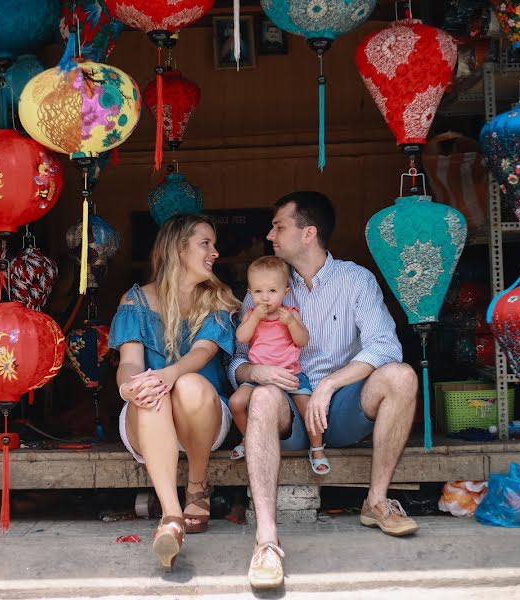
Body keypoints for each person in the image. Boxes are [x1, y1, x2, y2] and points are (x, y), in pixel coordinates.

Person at [228, 192, 419, 589]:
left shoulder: (355, 280)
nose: (270, 234)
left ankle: (377, 501)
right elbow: (235, 362)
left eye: (279, 226)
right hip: (287, 409)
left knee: (401, 375)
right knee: (261, 395)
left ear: (308, 233)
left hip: (343, 405)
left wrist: (330, 384)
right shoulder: (266, 286)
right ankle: (266, 540)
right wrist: (256, 370)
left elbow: (385, 345)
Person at [109, 214, 240, 572]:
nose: (215, 252)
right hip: (147, 419)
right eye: (205, 243)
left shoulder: (218, 298)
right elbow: (130, 362)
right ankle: (171, 515)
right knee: (151, 394)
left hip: (204, 416)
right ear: (179, 249)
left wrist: (168, 374)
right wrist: (130, 388)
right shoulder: (135, 300)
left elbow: (203, 353)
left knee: (189, 383)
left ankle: (197, 485)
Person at [228, 256, 330, 476]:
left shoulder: (290, 313)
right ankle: (248, 439)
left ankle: (317, 448)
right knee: (236, 403)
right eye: (257, 292)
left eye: (272, 291)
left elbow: (302, 340)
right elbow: (241, 337)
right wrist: (254, 318)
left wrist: (292, 323)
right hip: (258, 376)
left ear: (285, 291)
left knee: (309, 409)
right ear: (249, 292)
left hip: (291, 373)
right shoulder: (250, 315)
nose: (265, 298)